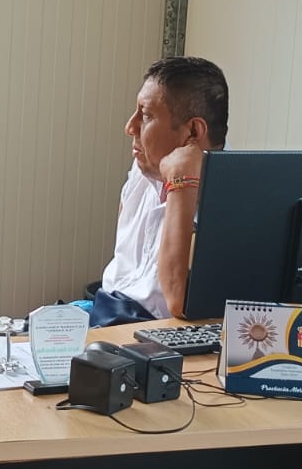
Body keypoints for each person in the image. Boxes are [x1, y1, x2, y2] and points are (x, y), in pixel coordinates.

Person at [94, 56, 230, 325]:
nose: (130, 127)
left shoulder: (228, 201)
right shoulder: (144, 167)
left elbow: (176, 301)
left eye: (146, 116)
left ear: (193, 131)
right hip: (104, 311)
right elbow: (122, 266)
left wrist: (181, 183)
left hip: (150, 330)